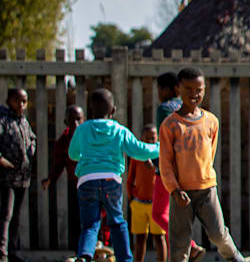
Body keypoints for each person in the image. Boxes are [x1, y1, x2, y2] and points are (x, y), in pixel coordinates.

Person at [158, 68, 244, 262]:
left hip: (206, 189)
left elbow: (209, 155)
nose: (194, 94)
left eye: (199, 89)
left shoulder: (211, 121)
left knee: (218, 234)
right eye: (188, 89)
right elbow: (166, 163)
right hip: (181, 192)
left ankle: (235, 258)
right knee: (180, 242)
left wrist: (204, 176)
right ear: (178, 89)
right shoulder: (170, 125)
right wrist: (174, 189)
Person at [68, 89, 159, 262]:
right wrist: (160, 147)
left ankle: (85, 255)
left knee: (90, 225)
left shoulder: (83, 129)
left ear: (91, 109)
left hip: (86, 181)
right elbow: (139, 151)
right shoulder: (119, 130)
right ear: (113, 111)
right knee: (117, 222)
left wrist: (86, 157)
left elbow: (73, 154)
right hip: (111, 180)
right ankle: (125, 258)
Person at [150, 74, 203, 262]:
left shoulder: (164, 109)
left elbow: (164, 142)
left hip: (168, 171)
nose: (158, 93)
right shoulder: (190, 108)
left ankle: (191, 246)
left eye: (160, 88)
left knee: (158, 214)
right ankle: (187, 250)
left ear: (170, 89)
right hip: (188, 170)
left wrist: (159, 166)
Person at [43, 105, 84, 249]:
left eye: (78, 119)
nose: (76, 124)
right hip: (75, 184)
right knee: (76, 218)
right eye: (72, 120)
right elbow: (58, 164)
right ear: (66, 122)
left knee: (95, 219)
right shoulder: (63, 141)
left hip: (93, 183)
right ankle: (77, 251)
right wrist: (50, 179)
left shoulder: (90, 136)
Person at [0, 89, 33, 262]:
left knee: (17, 216)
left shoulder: (23, 121)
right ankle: (2, 253)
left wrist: (31, 150)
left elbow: (32, 139)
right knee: (6, 214)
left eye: (24, 101)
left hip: (23, 177)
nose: (21, 105)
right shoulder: (3, 119)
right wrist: (1, 159)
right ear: (8, 101)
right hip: (6, 177)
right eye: (17, 101)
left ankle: (12, 251)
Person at [127, 125, 165, 262]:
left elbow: (166, 176)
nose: (150, 141)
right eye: (147, 138)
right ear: (141, 139)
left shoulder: (162, 155)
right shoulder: (137, 156)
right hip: (139, 203)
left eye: (153, 138)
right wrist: (131, 198)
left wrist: (154, 168)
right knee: (140, 238)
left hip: (157, 204)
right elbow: (130, 179)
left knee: (159, 238)